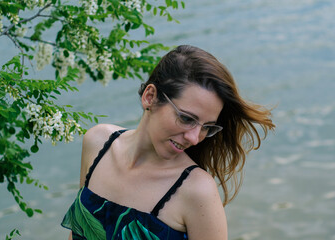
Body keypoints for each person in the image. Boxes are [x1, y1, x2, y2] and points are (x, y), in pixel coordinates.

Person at [61, 45, 275, 240]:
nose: (194, 138)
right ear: (150, 96)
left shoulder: (196, 190)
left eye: (206, 127)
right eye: (186, 118)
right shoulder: (97, 143)